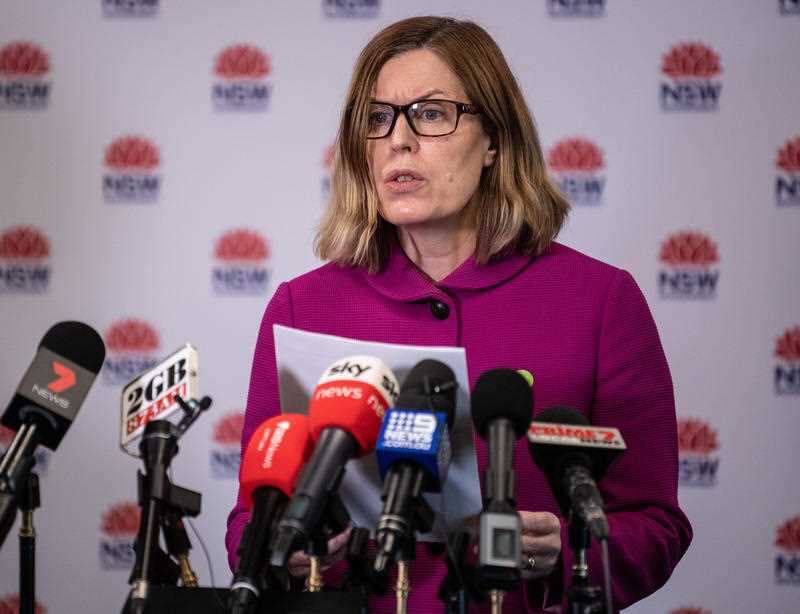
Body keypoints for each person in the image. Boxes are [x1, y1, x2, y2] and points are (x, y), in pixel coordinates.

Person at [226, 15, 692, 613]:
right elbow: (250, 516)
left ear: (495, 140)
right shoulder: (304, 306)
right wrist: (283, 551)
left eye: (431, 113)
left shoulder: (601, 301)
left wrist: (570, 549)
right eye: (377, 118)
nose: (399, 140)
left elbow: (655, 524)